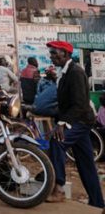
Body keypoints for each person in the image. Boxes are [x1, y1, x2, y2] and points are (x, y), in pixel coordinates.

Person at [44, 40, 103, 207]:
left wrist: (62, 123)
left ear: (66, 54)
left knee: (57, 141)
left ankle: (59, 188)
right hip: (78, 120)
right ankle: (97, 203)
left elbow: (80, 103)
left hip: (81, 120)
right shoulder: (65, 72)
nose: (52, 56)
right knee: (86, 164)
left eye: (55, 53)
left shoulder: (75, 73)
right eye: (51, 53)